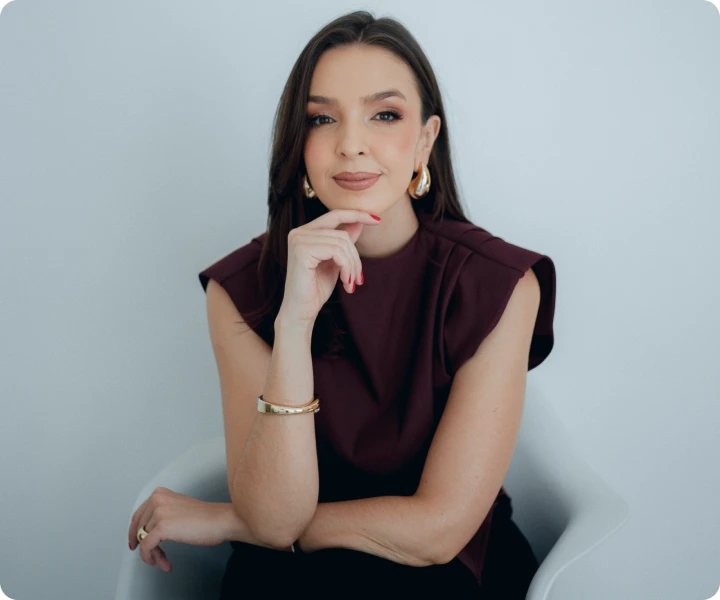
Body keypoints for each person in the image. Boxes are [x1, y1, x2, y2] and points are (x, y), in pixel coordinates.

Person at [129, 9, 556, 599]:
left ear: (425, 141)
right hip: (290, 578)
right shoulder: (242, 289)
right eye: (322, 119)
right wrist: (294, 322)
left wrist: (231, 520)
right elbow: (273, 517)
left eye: (385, 115)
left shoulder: (497, 284)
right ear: (299, 146)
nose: (351, 144)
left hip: (445, 575)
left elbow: (438, 532)